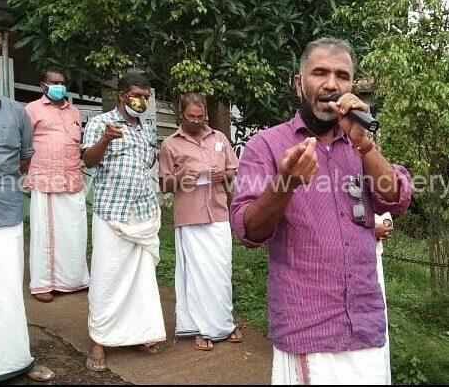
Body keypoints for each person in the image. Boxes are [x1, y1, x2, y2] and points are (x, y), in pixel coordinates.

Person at [230, 37, 412, 384]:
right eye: (320, 73)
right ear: (299, 83)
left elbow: (396, 198)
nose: (332, 84)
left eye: (342, 76)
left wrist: (364, 144)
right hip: (307, 327)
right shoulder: (266, 146)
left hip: (365, 327)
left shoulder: (361, 143)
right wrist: (286, 183)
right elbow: (248, 230)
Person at [0, 41, 54, 383]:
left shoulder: (16, 112)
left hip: (5, 214)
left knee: (6, 288)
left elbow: (24, 158)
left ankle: (14, 360)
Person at [82, 72, 165, 371]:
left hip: (142, 213)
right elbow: (89, 160)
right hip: (111, 213)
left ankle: (141, 332)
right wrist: (105, 139)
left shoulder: (147, 128)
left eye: (146, 96)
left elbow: (148, 166)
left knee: (141, 278)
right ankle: (99, 340)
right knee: (106, 276)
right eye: (137, 95)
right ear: (121, 95)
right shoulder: (99, 123)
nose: (142, 101)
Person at [158, 93, 242, 351]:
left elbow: (234, 170)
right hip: (190, 216)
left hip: (217, 213)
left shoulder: (218, 138)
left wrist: (222, 175)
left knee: (220, 270)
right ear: (181, 114)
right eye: (191, 116)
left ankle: (224, 323)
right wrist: (181, 176)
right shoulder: (170, 145)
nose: (196, 121)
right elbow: (164, 184)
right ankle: (200, 328)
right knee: (195, 275)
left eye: (200, 116)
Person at [23, 65, 89, 303]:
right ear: (43, 86)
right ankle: (43, 284)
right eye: (54, 82)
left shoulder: (74, 112)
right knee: (45, 234)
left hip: (72, 177)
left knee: (74, 231)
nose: (58, 86)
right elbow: (23, 145)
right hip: (45, 177)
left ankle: (74, 280)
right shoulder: (31, 110)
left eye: (62, 82)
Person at [374, 212, 394, 384]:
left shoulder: (370, 187)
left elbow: (385, 215)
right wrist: (370, 231)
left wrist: (386, 223)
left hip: (372, 262)